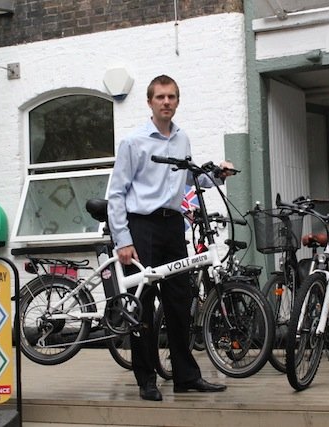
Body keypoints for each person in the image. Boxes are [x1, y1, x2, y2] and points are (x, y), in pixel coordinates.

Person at [107, 75, 234, 401]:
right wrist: (123, 239)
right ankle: (146, 379)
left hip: (173, 226)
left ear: (177, 101)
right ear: (150, 102)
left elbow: (189, 179)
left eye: (172, 97)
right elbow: (117, 193)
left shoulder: (182, 139)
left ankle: (186, 377)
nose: (166, 102)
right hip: (142, 227)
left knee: (179, 303)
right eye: (160, 97)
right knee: (143, 306)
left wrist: (216, 173)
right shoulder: (133, 142)